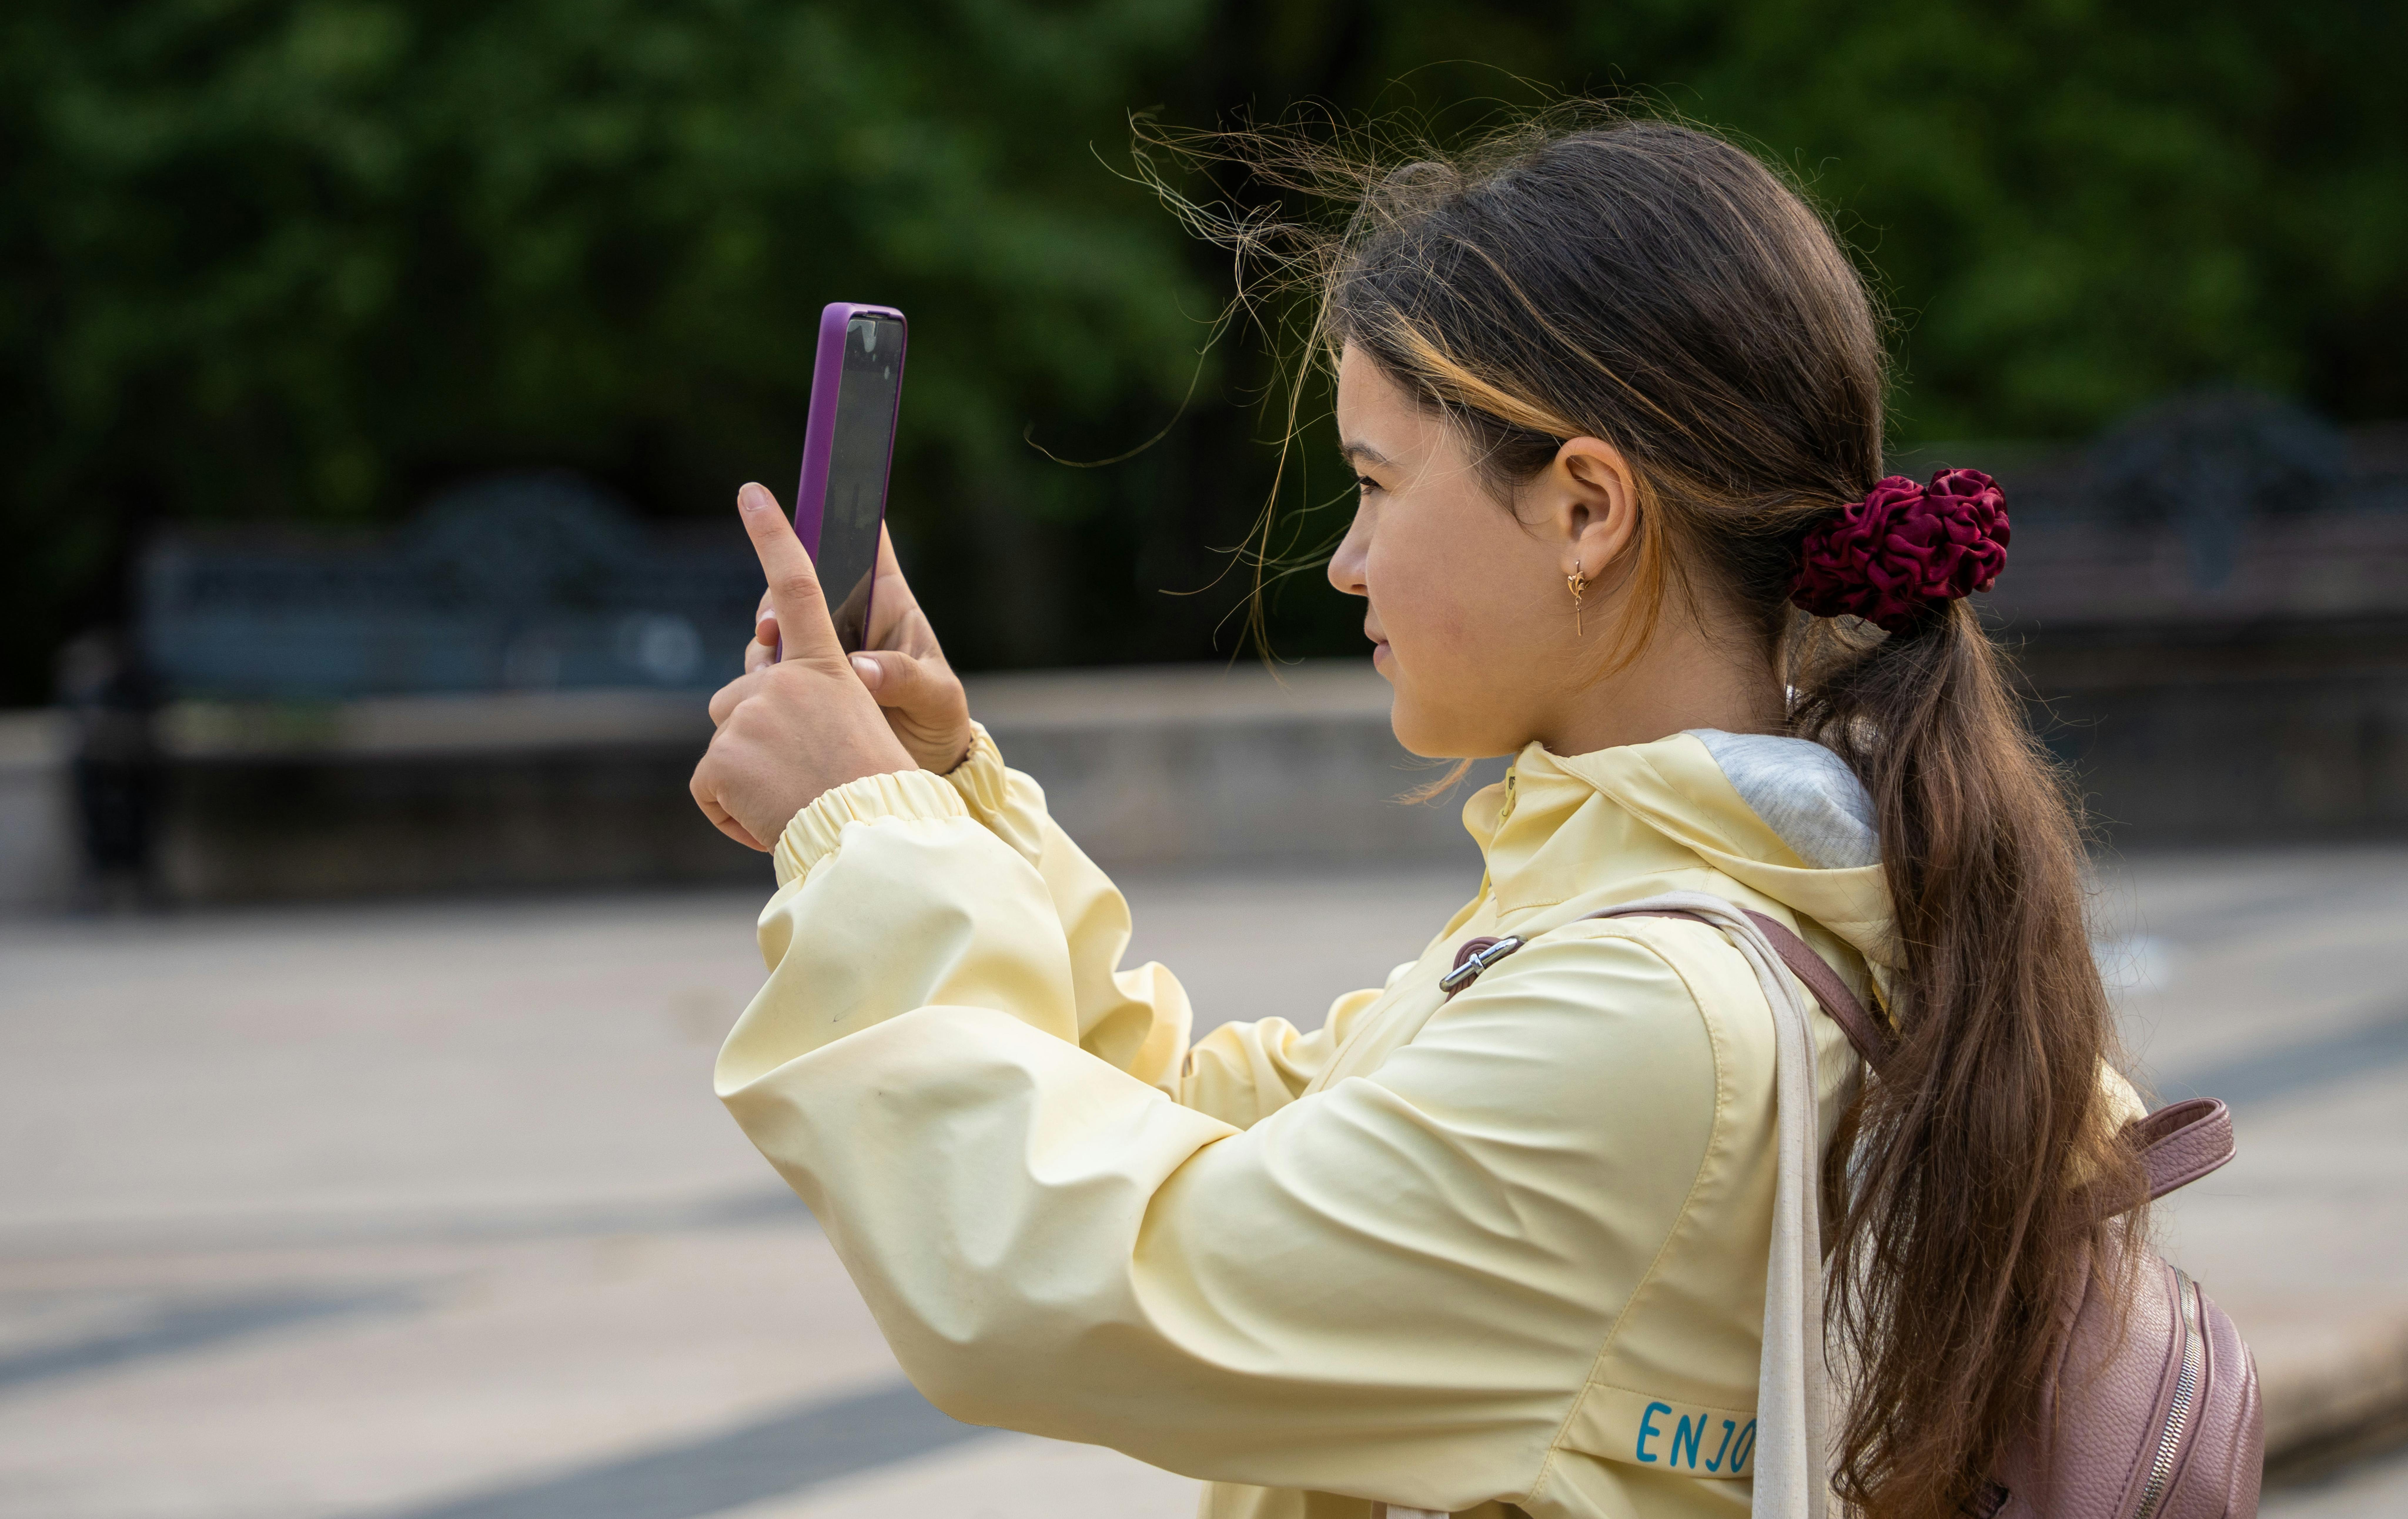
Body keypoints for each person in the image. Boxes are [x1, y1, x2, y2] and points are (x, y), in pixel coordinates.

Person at [690, 117, 2148, 1519]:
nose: (1346, 561)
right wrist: (943, 795)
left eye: (1375, 485)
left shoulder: (1647, 1019)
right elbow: (1202, 1125)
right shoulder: (1738, 902)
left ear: (1586, 510)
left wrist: (862, 836)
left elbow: (1068, 1276)